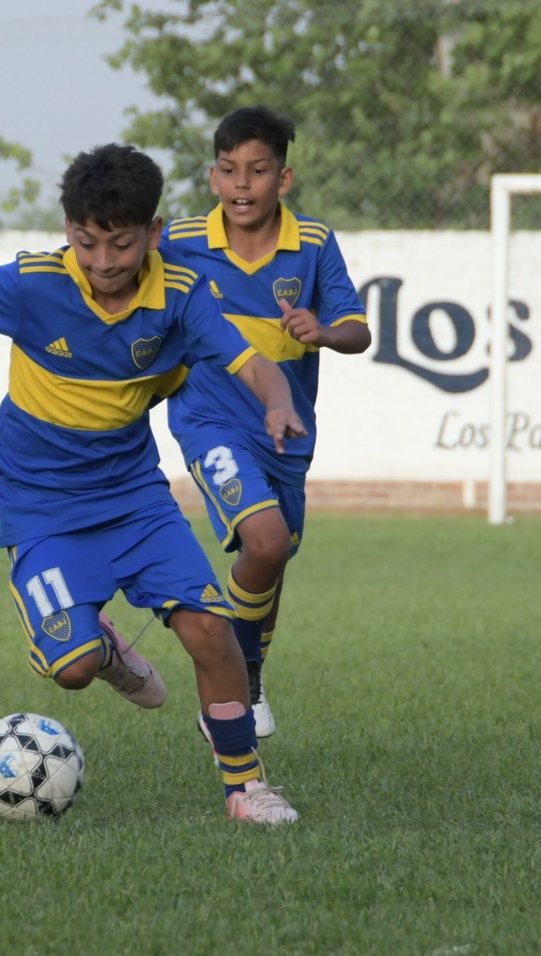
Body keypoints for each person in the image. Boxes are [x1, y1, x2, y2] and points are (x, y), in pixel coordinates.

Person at [0, 143, 306, 824]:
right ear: (67, 230)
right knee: (70, 668)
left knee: (211, 631)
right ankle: (102, 648)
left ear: (153, 234)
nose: (103, 262)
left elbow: (253, 363)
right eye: (86, 242)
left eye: (122, 245)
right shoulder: (34, 284)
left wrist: (276, 400)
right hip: (39, 504)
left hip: (133, 497)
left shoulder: (180, 295)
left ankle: (244, 787)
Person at [161, 106, 369, 740]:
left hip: (287, 434)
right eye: (229, 171)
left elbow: (359, 330)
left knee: (271, 558)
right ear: (212, 176)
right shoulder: (181, 240)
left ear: (284, 178)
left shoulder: (313, 244)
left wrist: (325, 332)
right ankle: (236, 678)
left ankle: (247, 672)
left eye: (257, 171)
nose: (242, 185)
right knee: (266, 542)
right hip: (208, 420)